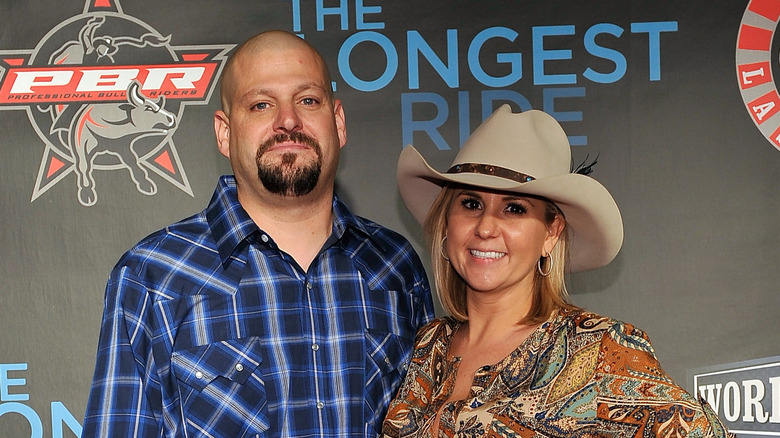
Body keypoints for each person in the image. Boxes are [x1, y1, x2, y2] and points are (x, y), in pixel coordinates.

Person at [82, 30, 434, 437]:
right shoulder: (154, 276)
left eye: (307, 100)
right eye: (261, 104)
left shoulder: (394, 264)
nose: (288, 121)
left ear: (337, 122)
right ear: (225, 132)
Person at [382, 105, 733, 437]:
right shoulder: (428, 345)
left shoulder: (594, 348)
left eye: (515, 209)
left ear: (551, 233)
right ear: (447, 223)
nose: (486, 227)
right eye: (471, 203)